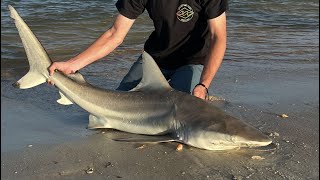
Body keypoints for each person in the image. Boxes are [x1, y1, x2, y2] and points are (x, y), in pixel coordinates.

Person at [49, 0, 228, 100]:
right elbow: (115, 34)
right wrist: (71, 65)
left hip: (193, 60)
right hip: (156, 58)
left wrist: (203, 84)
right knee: (117, 104)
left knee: (179, 108)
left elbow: (218, 37)